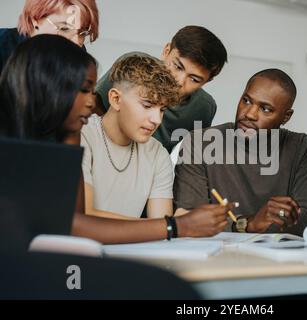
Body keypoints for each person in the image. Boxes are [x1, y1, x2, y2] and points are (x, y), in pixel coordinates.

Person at [0, 34, 236, 244]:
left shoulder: (72, 137)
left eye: (163, 109)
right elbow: (77, 224)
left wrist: (176, 225)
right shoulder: (70, 139)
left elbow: (76, 220)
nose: (92, 102)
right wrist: (176, 225)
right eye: (84, 90)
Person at [174, 69, 307, 236]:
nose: (249, 114)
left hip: (278, 259)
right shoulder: (201, 142)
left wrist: (257, 224)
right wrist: (248, 224)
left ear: (286, 117)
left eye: (266, 109)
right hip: (215, 257)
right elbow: (189, 220)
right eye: (246, 101)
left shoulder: (299, 148)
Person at [95, 25, 228, 152]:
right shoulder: (132, 68)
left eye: (194, 79)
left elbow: (192, 155)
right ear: (166, 51)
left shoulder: (204, 108)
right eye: (178, 67)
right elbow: (93, 109)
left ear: (207, 81)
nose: (179, 81)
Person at [81, 54, 178, 220]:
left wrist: (167, 227)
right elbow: (84, 215)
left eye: (162, 109)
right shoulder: (82, 135)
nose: (156, 120)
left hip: (131, 246)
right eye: (147, 105)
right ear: (116, 99)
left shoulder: (157, 154)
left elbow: (162, 230)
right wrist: (171, 227)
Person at [0, 0, 99, 74]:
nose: (77, 42)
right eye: (65, 29)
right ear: (35, 19)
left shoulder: (78, 51)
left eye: (83, 32)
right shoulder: (3, 45)